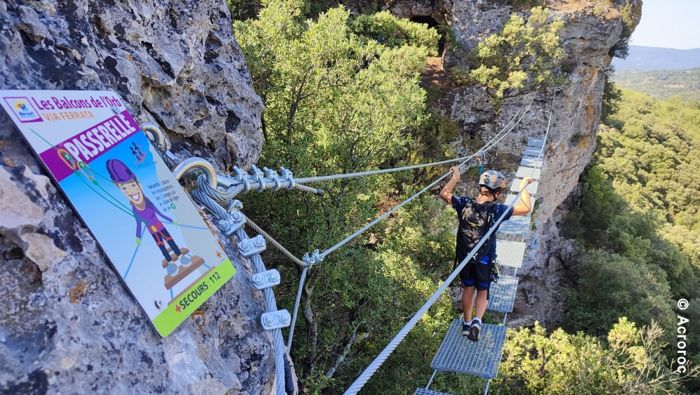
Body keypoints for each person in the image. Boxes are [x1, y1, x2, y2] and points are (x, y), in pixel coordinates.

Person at [439, 166, 532, 341]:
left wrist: (455, 178)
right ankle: (477, 321)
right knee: (483, 290)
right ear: (496, 193)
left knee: (468, 287)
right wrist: (523, 186)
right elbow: (526, 208)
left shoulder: (464, 203)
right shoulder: (497, 211)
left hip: (464, 258)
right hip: (484, 258)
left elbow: (444, 194)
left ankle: (466, 324)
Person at [106, 159, 186, 265]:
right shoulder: (135, 210)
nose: (130, 191)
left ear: (138, 184)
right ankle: (170, 262)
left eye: (132, 185)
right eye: (124, 188)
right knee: (160, 244)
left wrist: (171, 220)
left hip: (159, 225)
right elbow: (138, 224)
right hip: (152, 229)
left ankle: (179, 255)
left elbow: (159, 213)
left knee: (169, 239)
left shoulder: (148, 202)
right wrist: (138, 237)